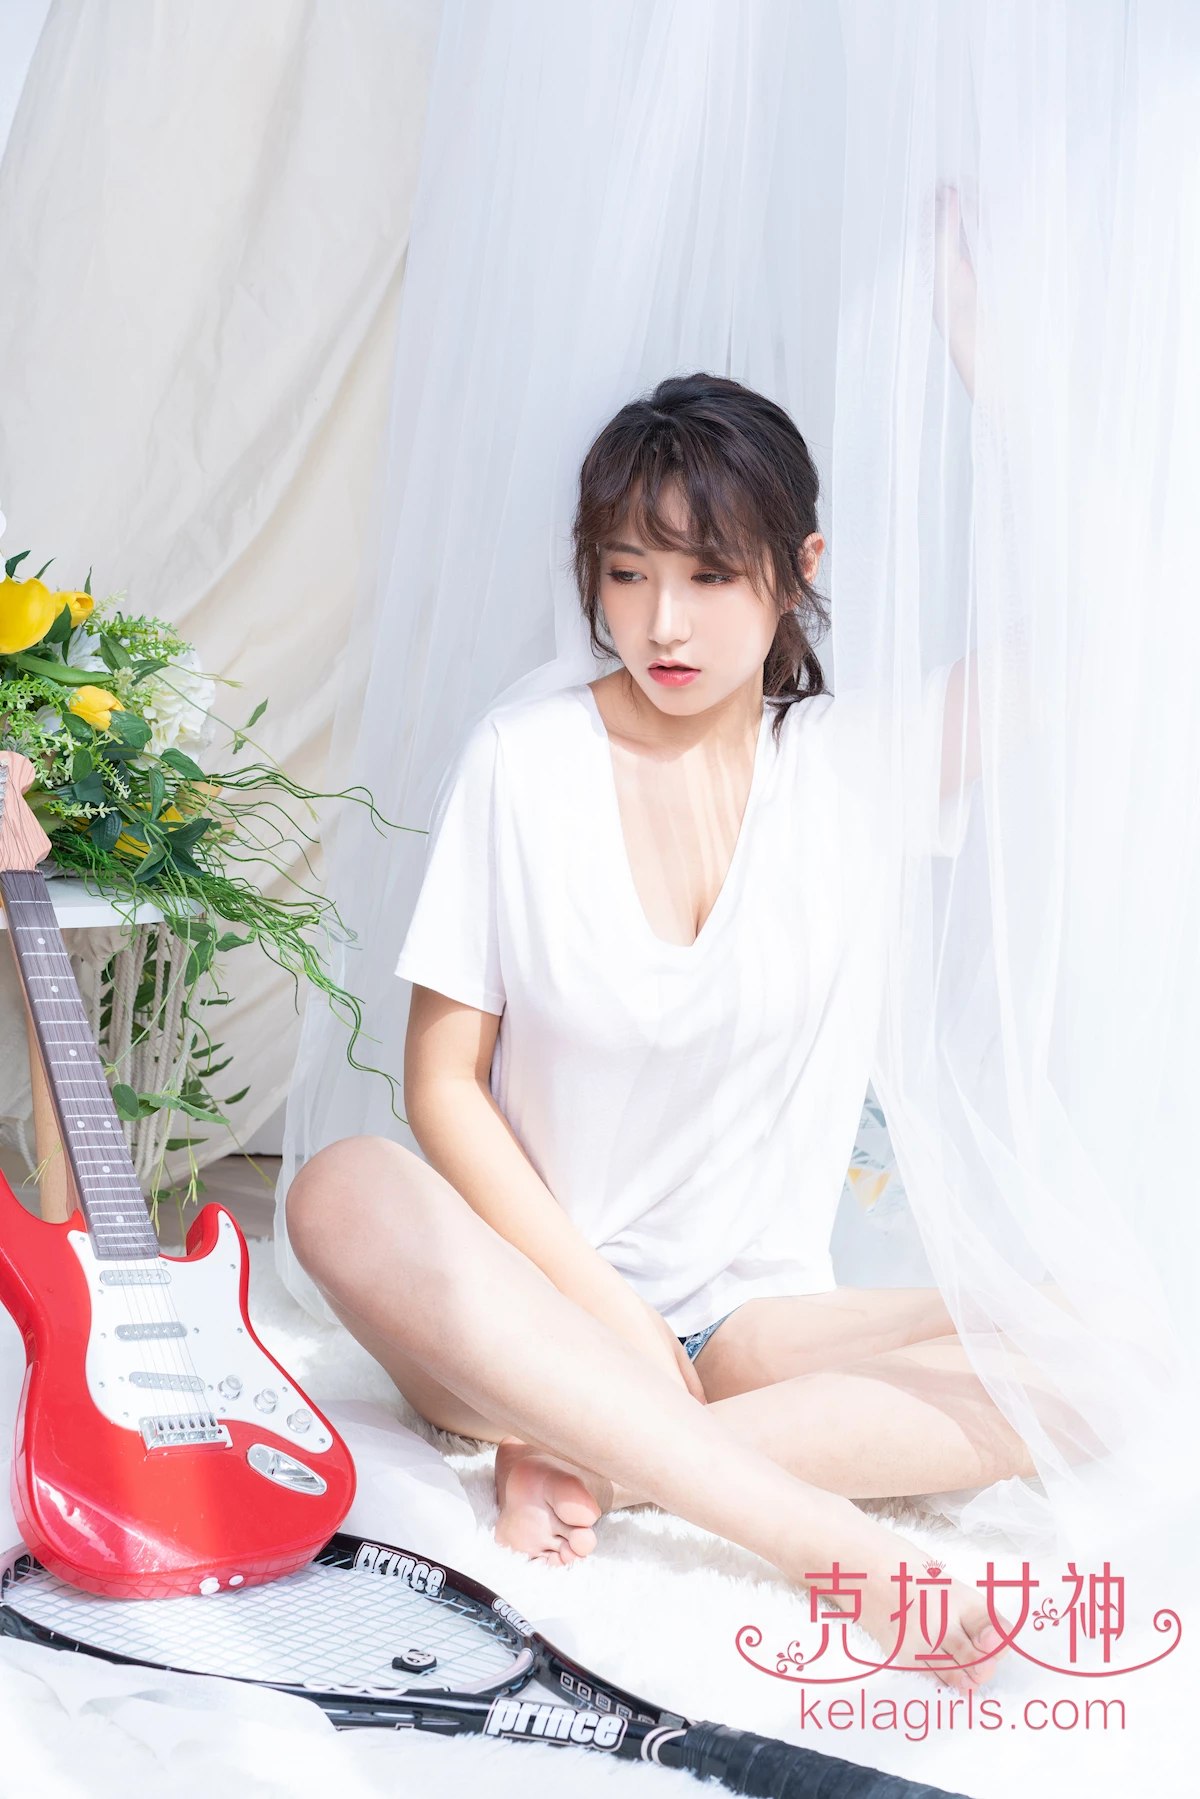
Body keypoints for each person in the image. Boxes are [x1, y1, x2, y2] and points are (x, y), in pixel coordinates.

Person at [285, 352, 1045, 1696]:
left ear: (798, 571)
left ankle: (615, 1467)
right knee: (341, 1190)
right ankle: (824, 1542)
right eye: (627, 573)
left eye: (708, 575)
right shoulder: (526, 761)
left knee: (1105, 1345)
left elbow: (1079, 624)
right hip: (528, 1313)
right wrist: (611, 1324)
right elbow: (442, 1082)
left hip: (755, 1326)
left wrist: (997, 371)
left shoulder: (852, 768)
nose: (662, 623)